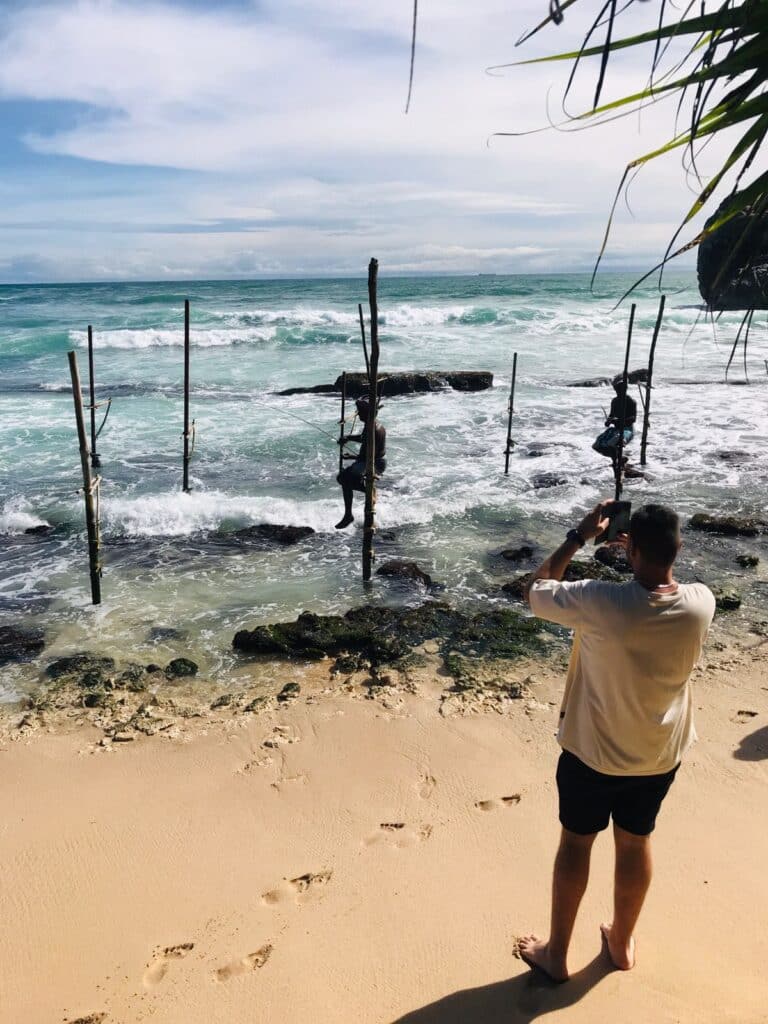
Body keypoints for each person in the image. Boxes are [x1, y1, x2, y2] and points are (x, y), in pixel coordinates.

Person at [517, 501, 715, 983]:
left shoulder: (599, 600)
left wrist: (578, 536)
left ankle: (557, 953)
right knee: (635, 842)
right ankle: (622, 942)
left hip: (593, 754)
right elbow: (661, 583)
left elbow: (537, 590)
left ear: (631, 550)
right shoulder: (700, 602)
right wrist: (643, 555)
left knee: (576, 845)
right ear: (679, 547)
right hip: (658, 754)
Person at [335, 398, 386, 530]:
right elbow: (366, 443)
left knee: (343, 478)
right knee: (346, 478)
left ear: (367, 413)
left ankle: (350, 513)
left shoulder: (372, 428)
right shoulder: (374, 424)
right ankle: (365, 491)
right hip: (372, 460)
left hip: (374, 463)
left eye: (361, 412)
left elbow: (368, 447)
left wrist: (348, 441)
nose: (358, 415)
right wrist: (350, 446)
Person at [592, 377, 637, 464]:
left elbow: (633, 419)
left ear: (625, 390)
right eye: (616, 391)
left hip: (627, 429)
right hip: (616, 429)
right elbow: (611, 415)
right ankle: (617, 458)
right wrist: (608, 421)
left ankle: (618, 460)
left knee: (613, 442)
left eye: (619, 391)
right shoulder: (615, 401)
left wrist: (619, 420)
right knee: (597, 445)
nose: (618, 393)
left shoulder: (631, 401)